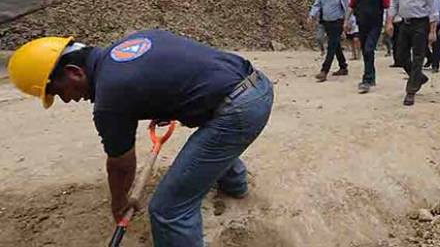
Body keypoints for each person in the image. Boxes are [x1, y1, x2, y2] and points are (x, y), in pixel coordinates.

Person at [6, 30, 273, 246]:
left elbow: (121, 164)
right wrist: (163, 102)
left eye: (57, 90)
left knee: (168, 211)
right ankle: (235, 186)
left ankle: (227, 188)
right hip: (253, 84)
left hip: (238, 110)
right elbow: (169, 71)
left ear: (75, 72)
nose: (65, 99)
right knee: (214, 144)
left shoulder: (110, 98)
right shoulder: (128, 45)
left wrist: (120, 201)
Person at [386, 0, 438, 106]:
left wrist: (433, 30)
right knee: (400, 56)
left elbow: (433, 7)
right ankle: (419, 78)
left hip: (421, 24)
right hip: (404, 23)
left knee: (418, 57)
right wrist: (389, 22)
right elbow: (394, 2)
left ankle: (411, 90)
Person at [347, 0, 391, 93]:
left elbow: (388, 7)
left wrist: (388, 23)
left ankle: (367, 79)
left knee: (368, 49)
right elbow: (351, 7)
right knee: (366, 51)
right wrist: (346, 21)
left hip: (375, 25)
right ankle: (371, 77)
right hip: (362, 25)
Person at [308, 0, 351, 82]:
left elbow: (348, 7)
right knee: (335, 45)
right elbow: (317, 5)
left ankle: (324, 70)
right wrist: (312, 15)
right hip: (326, 22)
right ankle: (343, 67)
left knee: (331, 46)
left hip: (337, 22)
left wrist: (347, 22)